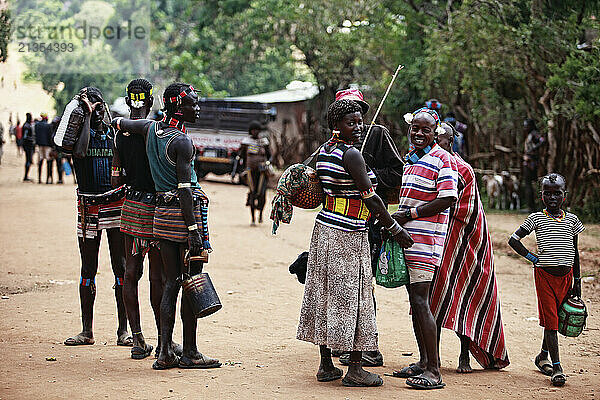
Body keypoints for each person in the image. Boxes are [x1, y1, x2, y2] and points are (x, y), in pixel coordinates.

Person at [296, 99, 413, 387]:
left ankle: (326, 365)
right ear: (337, 125)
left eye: (360, 121)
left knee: (324, 293)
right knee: (356, 296)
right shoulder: (351, 155)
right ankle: (356, 369)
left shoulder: (324, 152)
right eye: (352, 122)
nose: (359, 127)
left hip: (324, 228)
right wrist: (395, 228)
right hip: (349, 233)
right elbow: (371, 197)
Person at [112, 82, 221, 370]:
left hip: (160, 213)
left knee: (170, 283)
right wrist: (194, 231)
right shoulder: (182, 142)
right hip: (183, 218)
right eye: (192, 104)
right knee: (188, 283)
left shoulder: (152, 129)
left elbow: (121, 122)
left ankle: (163, 352)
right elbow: (185, 190)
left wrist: (117, 123)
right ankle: (190, 353)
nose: (197, 108)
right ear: (177, 107)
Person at [430, 123, 509, 373]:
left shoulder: (463, 169)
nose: (438, 143)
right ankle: (434, 357)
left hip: (465, 242)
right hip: (439, 241)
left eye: (442, 140)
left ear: (451, 142)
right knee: (434, 298)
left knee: (466, 297)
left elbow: (467, 209)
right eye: (436, 139)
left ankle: (464, 355)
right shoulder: (428, 164)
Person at [112, 79, 182, 360]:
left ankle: (138, 339)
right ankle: (165, 341)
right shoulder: (154, 131)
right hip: (156, 210)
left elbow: (117, 177)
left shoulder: (120, 135)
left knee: (131, 272)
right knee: (159, 277)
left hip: (131, 208)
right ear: (151, 101)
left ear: (129, 101)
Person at [334, 88, 404, 368]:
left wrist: (366, 173)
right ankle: (347, 342)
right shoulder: (334, 143)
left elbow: (397, 173)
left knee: (363, 283)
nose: (356, 124)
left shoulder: (377, 134)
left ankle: (369, 346)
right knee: (343, 283)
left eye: (357, 113)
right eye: (346, 113)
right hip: (341, 223)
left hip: (371, 220)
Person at [391, 107, 458, 390]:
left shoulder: (443, 160)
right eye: (415, 129)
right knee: (416, 304)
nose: (419, 133)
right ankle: (422, 362)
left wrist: (410, 215)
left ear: (435, 132)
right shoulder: (411, 161)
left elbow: (448, 199)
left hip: (426, 241)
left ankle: (434, 369)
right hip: (408, 240)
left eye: (425, 130)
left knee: (421, 302)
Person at [60, 87, 131, 347]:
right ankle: (86, 331)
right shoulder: (79, 136)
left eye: (99, 106)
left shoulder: (115, 134)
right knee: (88, 269)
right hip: (88, 206)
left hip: (115, 206)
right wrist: (86, 117)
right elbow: (78, 153)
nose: (98, 111)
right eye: (92, 107)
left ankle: (123, 330)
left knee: (120, 267)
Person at [508, 173, 584, 387]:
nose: (552, 198)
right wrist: (532, 257)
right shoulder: (535, 218)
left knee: (556, 318)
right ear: (541, 196)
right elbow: (513, 240)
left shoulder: (572, 220)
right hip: (544, 277)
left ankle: (542, 356)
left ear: (564, 196)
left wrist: (577, 279)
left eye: (557, 193)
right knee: (551, 322)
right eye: (548, 193)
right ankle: (557, 368)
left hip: (567, 277)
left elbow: (575, 251)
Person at [240, 120, 271, 225]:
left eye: (257, 130)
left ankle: (261, 214)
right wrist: (244, 168)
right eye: (253, 130)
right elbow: (242, 156)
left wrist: (267, 163)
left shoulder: (264, 142)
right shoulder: (246, 142)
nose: (255, 132)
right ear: (250, 131)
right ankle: (253, 218)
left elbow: (269, 155)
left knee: (262, 194)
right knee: (253, 193)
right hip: (250, 172)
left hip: (262, 172)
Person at [522, 119, 545, 211]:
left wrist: (532, 150)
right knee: (529, 184)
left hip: (532, 162)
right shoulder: (529, 135)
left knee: (530, 184)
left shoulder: (534, 134)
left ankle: (533, 207)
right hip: (529, 162)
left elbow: (542, 140)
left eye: (526, 126)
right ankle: (531, 206)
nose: (525, 128)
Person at [35, 113, 54, 184]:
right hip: (48, 146)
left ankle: (39, 178)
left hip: (40, 145)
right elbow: (50, 137)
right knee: (49, 162)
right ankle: (48, 179)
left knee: (40, 162)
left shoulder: (37, 125)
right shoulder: (48, 126)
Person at [22, 113, 35, 182]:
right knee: (28, 160)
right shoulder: (27, 126)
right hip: (28, 146)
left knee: (28, 160)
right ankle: (26, 176)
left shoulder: (27, 125)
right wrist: (32, 140)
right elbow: (25, 136)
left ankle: (26, 175)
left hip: (28, 145)